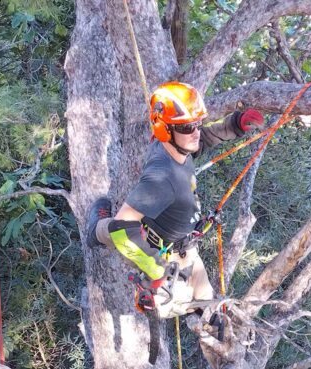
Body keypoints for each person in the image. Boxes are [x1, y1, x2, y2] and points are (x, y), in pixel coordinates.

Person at [85, 81, 264, 319]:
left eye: (197, 124)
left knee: (212, 318)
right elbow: (122, 231)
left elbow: (203, 140)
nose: (197, 132)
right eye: (189, 127)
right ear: (165, 130)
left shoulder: (176, 144)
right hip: (167, 255)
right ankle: (96, 230)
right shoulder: (161, 178)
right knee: (170, 307)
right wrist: (156, 268)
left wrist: (234, 125)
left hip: (186, 248)